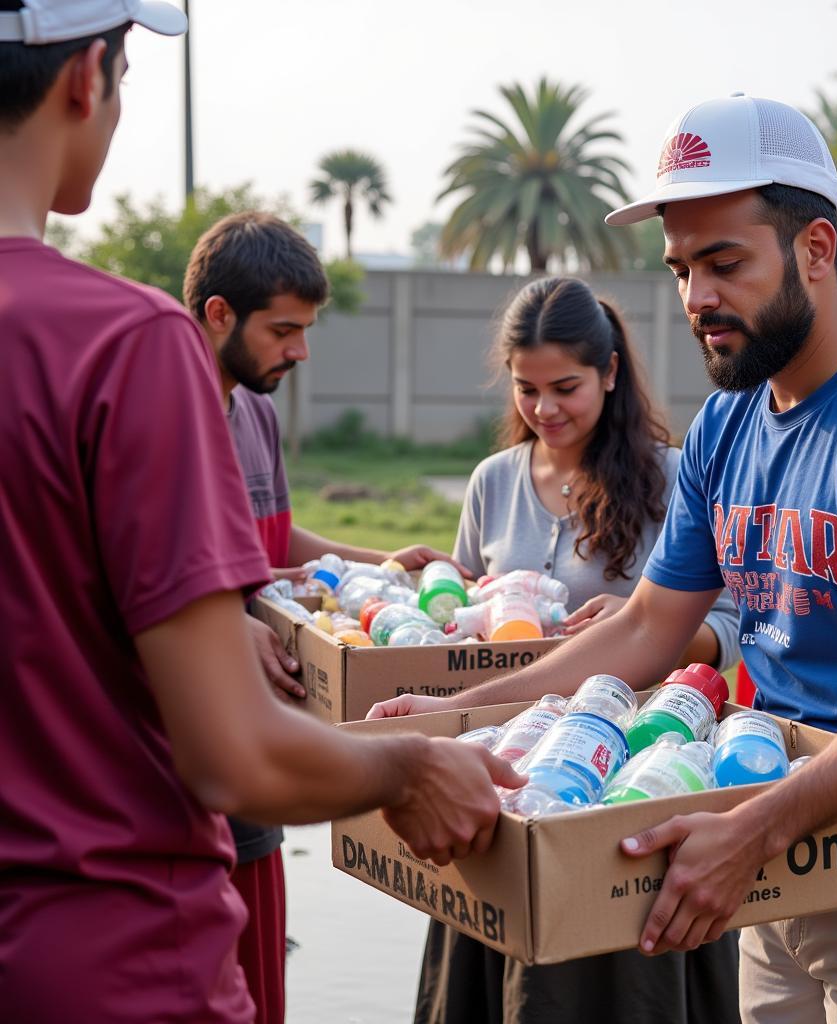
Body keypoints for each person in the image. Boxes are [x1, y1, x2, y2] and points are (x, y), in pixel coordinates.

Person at [371, 93, 837, 1023]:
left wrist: (753, 829)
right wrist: (456, 714)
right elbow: (649, 624)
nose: (697, 299)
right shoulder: (729, 422)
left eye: (724, 263)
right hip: (781, 853)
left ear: (816, 249)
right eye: (680, 269)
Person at [0, 4, 522, 1021]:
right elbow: (230, 752)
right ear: (84, 81)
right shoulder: (122, 346)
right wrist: (408, 765)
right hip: (106, 954)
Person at [414, 275, 742, 1024]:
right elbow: (467, 618)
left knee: (625, 993)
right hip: (511, 789)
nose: (544, 409)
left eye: (565, 387)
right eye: (527, 390)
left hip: (634, 789)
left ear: (611, 373)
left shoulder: (670, 474)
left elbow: (726, 627)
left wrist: (639, 616)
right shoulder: (493, 481)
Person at [183, 211, 472, 1024]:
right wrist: (224, 615)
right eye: (285, 331)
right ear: (218, 315)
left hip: (270, 725)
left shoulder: (257, 413)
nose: (301, 352)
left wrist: (373, 563)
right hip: (207, 737)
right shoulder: (164, 416)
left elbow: (266, 541)